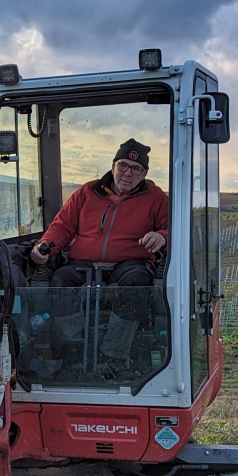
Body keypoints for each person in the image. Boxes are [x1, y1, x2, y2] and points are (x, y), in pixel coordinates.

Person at [29, 138, 169, 377]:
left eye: (136, 169)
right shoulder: (86, 192)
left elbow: (172, 229)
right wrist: (45, 247)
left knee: (137, 284)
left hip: (129, 264)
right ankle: (73, 348)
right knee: (61, 282)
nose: (128, 173)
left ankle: (113, 354)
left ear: (144, 173)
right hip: (83, 263)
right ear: (113, 165)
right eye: (123, 165)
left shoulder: (156, 198)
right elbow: (62, 227)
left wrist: (161, 236)